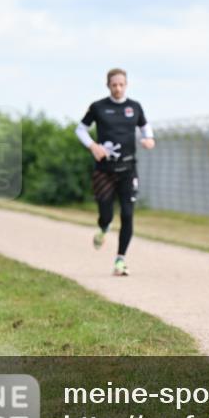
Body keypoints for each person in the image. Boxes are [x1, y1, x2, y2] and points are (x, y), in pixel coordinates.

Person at [75, 68, 155, 276]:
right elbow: (80, 129)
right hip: (104, 171)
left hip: (128, 169)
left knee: (127, 214)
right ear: (108, 85)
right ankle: (103, 228)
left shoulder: (134, 107)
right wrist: (93, 146)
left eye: (121, 85)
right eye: (114, 85)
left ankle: (120, 260)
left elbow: (145, 127)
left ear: (126, 85)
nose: (118, 88)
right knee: (106, 215)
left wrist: (149, 139)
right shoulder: (98, 107)